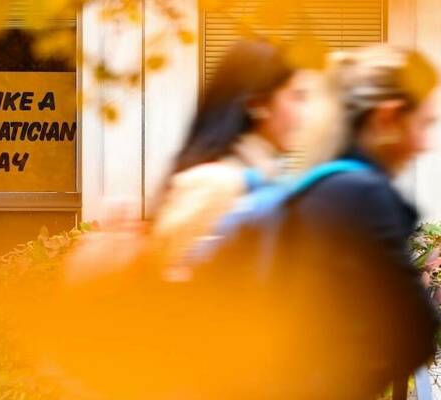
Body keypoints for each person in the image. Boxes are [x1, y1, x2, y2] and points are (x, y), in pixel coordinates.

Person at [211, 45, 440, 399]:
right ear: (387, 117)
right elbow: (415, 332)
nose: (425, 144)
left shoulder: (310, 189)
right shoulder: (364, 195)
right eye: (424, 124)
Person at [150, 38, 333, 276]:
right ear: (258, 104)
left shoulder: (271, 179)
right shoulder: (217, 185)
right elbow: (171, 291)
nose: (305, 114)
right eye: (297, 97)